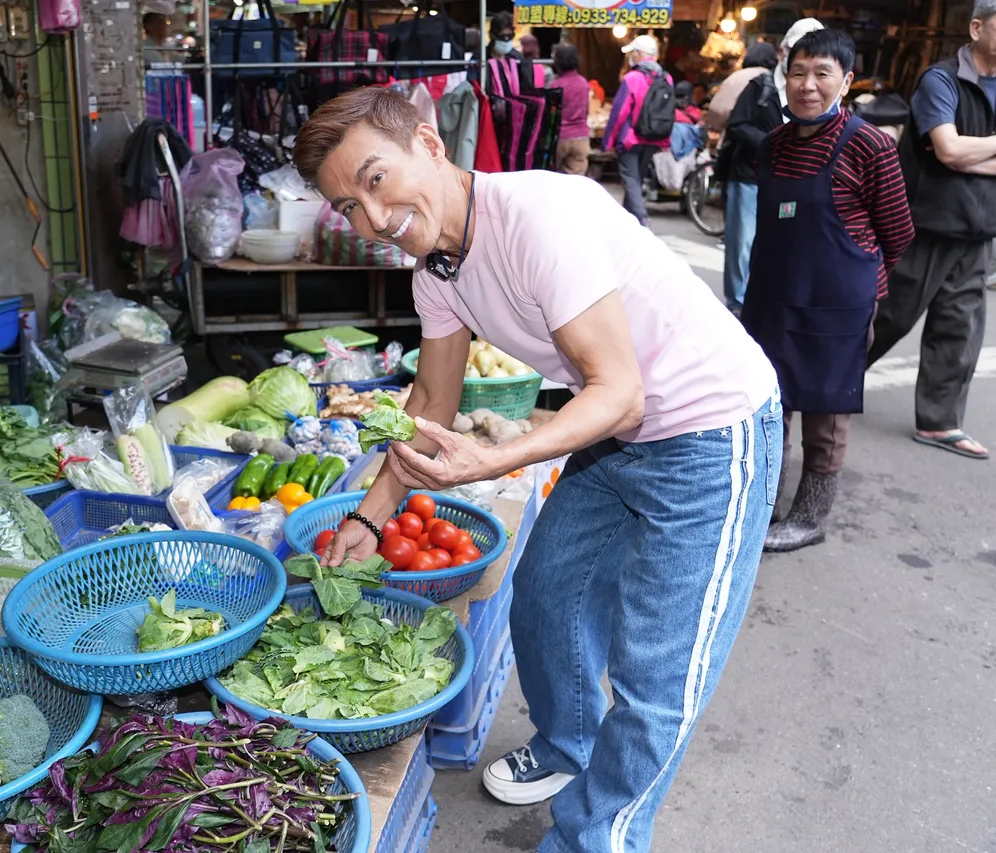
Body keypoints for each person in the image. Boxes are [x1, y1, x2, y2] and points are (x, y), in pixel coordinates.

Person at [293, 86, 780, 853]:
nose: (374, 218)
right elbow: (432, 400)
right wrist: (369, 513)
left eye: (376, 180)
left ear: (427, 143)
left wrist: (493, 458)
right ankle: (567, 745)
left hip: (709, 431)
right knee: (548, 593)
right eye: (348, 206)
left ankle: (598, 838)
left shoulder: (538, 217)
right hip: (617, 436)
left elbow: (619, 393)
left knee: (658, 677)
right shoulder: (438, 272)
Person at [741, 29, 914, 552]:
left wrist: (863, 283)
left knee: (825, 414)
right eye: (798, 72)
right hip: (771, 294)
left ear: (846, 81)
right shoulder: (772, 144)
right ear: (784, 76)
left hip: (838, 303)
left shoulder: (870, 144)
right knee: (770, 405)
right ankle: (763, 505)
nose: (808, 85)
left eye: (822, 74)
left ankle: (810, 518)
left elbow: (899, 232)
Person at [867, 0, 996, 461]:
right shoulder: (941, 80)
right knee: (887, 315)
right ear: (977, 27)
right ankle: (820, 382)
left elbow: (963, 152)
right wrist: (969, 153)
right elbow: (948, 150)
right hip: (925, 223)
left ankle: (940, 423)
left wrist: (970, 152)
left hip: (979, 230)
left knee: (959, 328)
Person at [720, 26, 819, 315]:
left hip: (789, 183)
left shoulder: (813, 95)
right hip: (749, 178)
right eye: (797, 50)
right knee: (742, 245)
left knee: (781, 244)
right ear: (783, 51)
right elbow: (737, 126)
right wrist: (772, 142)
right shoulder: (760, 86)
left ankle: (767, 304)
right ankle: (738, 306)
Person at [603, 35, 674, 226]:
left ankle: (642, 221)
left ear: (639, 53)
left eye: (632, 53)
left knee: (631, 180)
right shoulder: (667, 78)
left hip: (631, 138)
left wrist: (607, 141)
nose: (630, 57)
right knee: (636, 179)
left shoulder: (632, 78)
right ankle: (627, 224)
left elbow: (619, 112)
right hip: (654, 138)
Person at [706, 40, 776, 132]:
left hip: (724, 133)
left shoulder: (735, 75)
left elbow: (716, 111)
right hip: (748, 135)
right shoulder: (767, 78)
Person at [547, 43, 592, 176]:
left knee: (554, 178)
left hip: (560, 138)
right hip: (581, 137)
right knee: (576, 182)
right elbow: (586, 110)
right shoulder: (583, 83)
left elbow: (550, 115)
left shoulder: (555, 85)